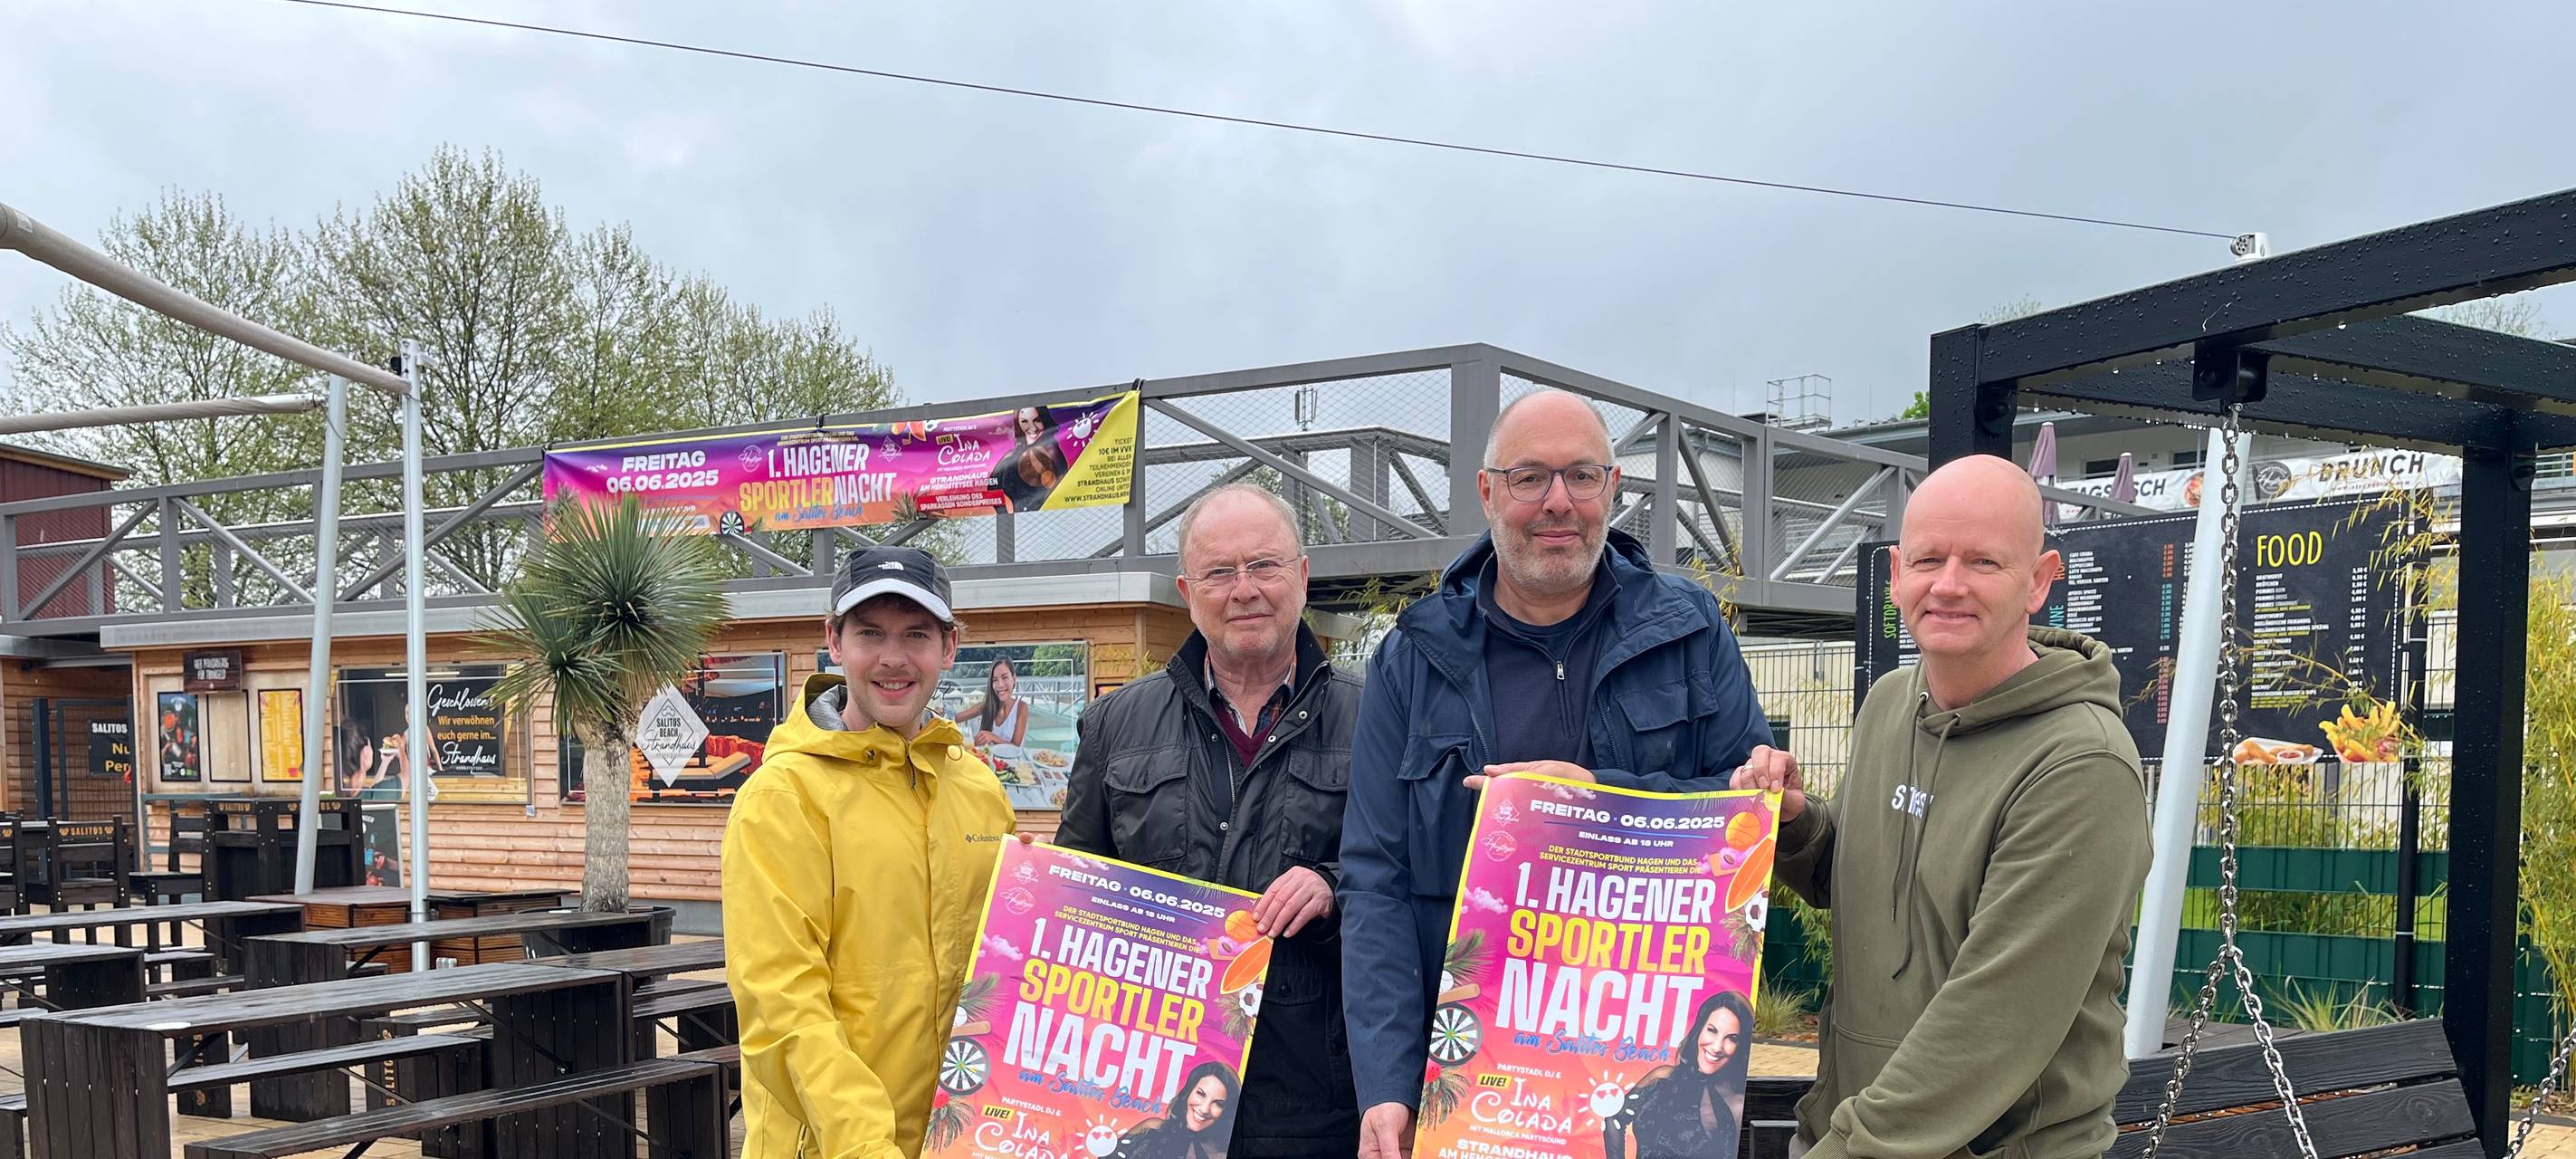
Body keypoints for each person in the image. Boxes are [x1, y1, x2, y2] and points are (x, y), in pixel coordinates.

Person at [1340, 388, 1775, 1159]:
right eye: (1529, 477)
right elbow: (1376, 880)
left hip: (1652, 1066)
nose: (1558, 503)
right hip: (1481, 1086)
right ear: (1487, 492)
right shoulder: (1412, 657)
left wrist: (1600, 798)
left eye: (1581, 475)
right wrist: (1384, 1081)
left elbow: (1748, 818)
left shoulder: (1690, 628)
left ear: (1613, 488)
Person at [1733, 454, 2152, 1159]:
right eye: (1929, 559)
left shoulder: (2081, 766)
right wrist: (1799, 825)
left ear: (2039, 582)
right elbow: (1870, 884)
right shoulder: (1890, 704)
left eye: (1983, 562)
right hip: (1860, 1132)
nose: (1949, 585)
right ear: (1896, 575)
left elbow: (1989, 1025)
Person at [1058, 483, 1365, 1159]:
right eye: (1220, 572)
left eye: (1264, 565)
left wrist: (1332, 889)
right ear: (1186, 590)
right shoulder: (1115, 724)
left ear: (1303, 576)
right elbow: (1076, 893)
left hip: (1316, 1103)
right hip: (1155, 1097)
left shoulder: (1374, 719)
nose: (1243, 589)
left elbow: (1415, 883)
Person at [723, 545, 1015, 1159]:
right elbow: (782, 1003)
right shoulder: (785, 795)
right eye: (869, 633)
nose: (892, 658)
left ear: (950, 647)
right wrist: (864, 1146)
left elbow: (1002, 971)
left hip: (960, 1140)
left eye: (916, 634)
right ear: (833, 640)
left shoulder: (978, 788)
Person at [1607, 990, 1754, 1159]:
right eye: (1712, 1030)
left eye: (1732, 1038)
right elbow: (1614, 1118)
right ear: (1699, 1029)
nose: (1716, 1047)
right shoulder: (1662, 1077)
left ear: (1741, 1046)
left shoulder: (1733, 1104)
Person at [1118, 1063, 1243, 1159]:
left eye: (1218, 1103)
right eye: (1200, 1094)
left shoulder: (1222, 1155)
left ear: (1227, 1111)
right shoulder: (1152, 1129)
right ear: (1189, 1092)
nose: (1204, 1109)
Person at [993, 404, 1069, 512]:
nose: (1033, 428)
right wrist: (1003, 514)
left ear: (1044, 420)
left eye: (1037, 420)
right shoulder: (1011, 456)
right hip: (1016, 520)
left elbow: (1063, 486)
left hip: (1044, 519)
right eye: (1024, 421)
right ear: (1018, 423)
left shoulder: (1051, 451)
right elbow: (992, 487)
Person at [957, 656, 1031, 748]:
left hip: (1012, 762)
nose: (1000, 685)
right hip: (989, 760)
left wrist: (992, 737)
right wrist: (939, 713)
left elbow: (1015, 747)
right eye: (995, 680)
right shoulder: (987, 706)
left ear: (1014, 678)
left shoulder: (1021, 708)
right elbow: (955, 718)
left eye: (1005, 677)